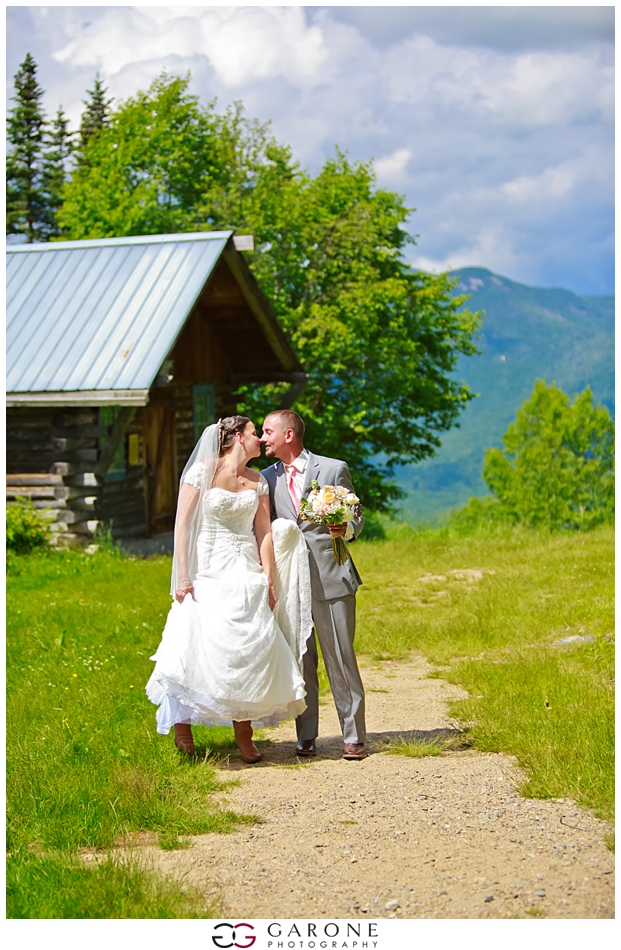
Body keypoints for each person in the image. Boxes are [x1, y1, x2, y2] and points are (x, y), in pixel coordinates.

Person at [146, 416, 311, 764]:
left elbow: (264, 531)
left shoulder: (257, 481)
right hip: (208, 567)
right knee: (193, 644)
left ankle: (244, 732)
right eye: (255, 434)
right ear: (238, 437)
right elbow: (183, 527)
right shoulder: (201, 472)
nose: (261, 440)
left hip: (245, 568)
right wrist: (183, 577)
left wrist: (268, 577)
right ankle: (182, 726)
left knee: (245, 650)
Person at [261, 410, 367, 760]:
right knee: (302, 660)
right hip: (291, 582)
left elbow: (357, 514)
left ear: (289, 435)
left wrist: (346, 529)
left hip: (331, 576)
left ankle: (353, 735)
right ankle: (306, 735)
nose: (263, 438)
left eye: (268, 431)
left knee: (341, 657)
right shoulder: (265, 479)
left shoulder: (332, 468)